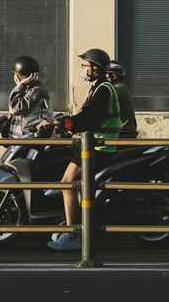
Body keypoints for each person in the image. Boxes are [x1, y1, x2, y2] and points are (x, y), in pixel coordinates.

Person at [44, 48, 125, 252]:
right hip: (92, 144)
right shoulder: (97, 88)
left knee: (66, 184)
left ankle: (73, 234)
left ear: (95, 69)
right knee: (70, 184)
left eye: (85, 66)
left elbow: (88, 119)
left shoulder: (104, 89)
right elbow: (84, 116)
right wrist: (61, 122)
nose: (83, 70)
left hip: (97, 146)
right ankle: (72, 226)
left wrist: (63, 124)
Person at [0, 55, 53, 139]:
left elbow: (14, 109)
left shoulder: (37, 91)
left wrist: (20, 85)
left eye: (16, 74)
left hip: (30, 141)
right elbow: (10, 117)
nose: (15, 77)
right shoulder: (27, 90)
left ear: (20, 76)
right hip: (20, 142)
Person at [105, 60, 138, 138]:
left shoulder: (115, 89)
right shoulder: (122, 87)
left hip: (120, 133)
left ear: (113, 76)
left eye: (104, 75)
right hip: (126, 131)